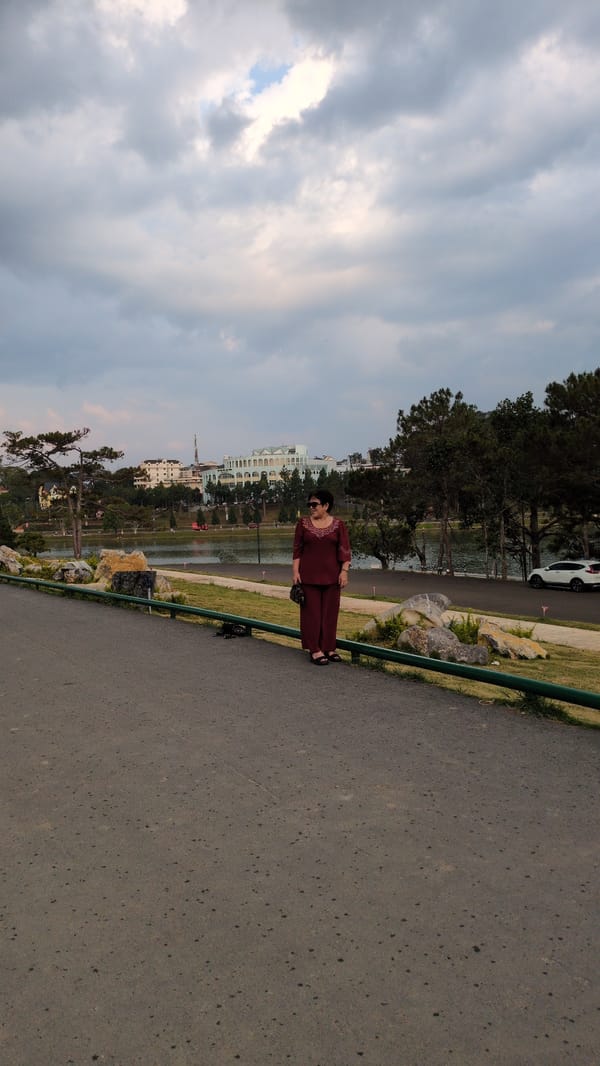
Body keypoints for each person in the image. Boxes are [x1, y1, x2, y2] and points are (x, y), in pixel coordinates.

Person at [292, 490, 351, 665]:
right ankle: (315, 650)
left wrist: (344, 571)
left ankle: (329, 648)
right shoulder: (302, 524)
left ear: (326, 506)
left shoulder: (339, 525)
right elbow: (297, 550)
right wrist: (295, 573)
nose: (311, 508)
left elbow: (345, 550)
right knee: (312, 615)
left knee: (330, 614)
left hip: (333, 577)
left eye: (314, 504)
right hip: (308, 578)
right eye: (309, 505)